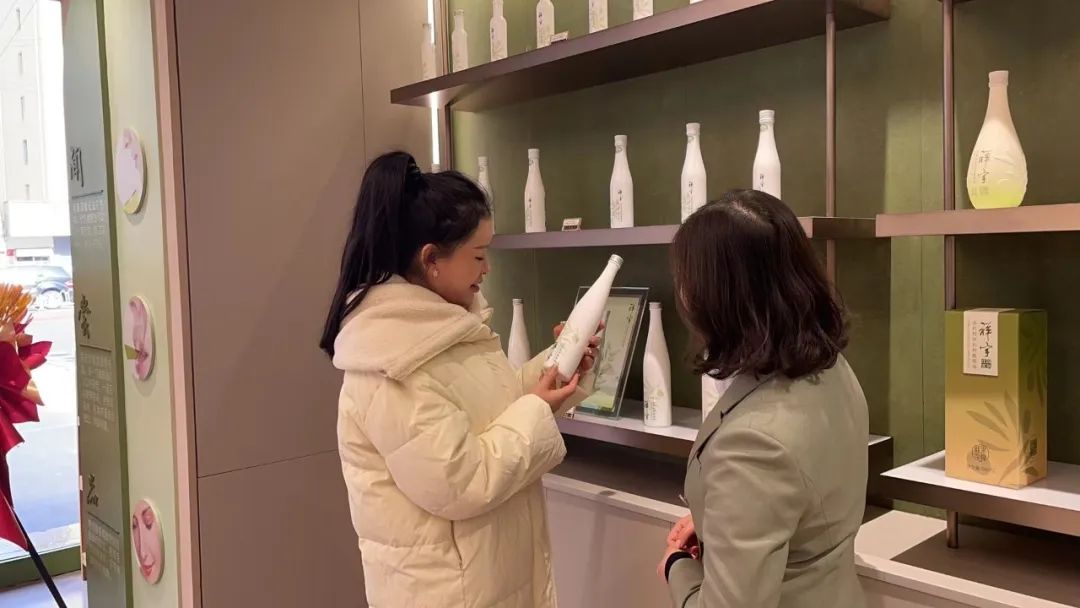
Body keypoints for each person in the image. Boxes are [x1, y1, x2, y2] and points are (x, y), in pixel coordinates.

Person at [321, 151, 596, 608]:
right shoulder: (391, 362)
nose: (487, 269)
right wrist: (538, 408)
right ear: (431, 259)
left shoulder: (447, 330)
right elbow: (461, 480)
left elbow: (496, 410)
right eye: (479, 255)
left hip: (488, 578)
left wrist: (561, 365)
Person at [658, 190, 869, 608]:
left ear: (716, 299)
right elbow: (796, 507)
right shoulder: (830, 371)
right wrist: (719, 523)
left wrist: (676, 566)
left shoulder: (753, 443)